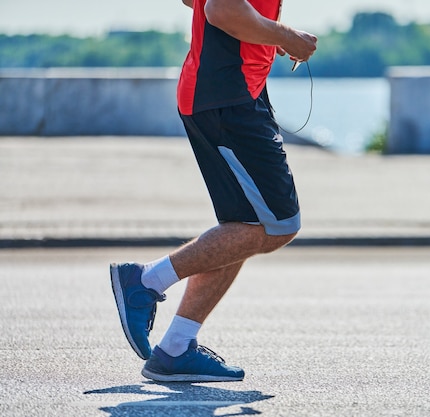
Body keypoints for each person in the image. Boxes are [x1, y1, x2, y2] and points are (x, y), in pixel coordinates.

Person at [110, 0, 317, 382]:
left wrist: (267, 33)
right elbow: (221, 10)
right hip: (228, 98)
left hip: (227, 93)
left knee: (245, 224)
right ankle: (144, 281)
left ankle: (175, 349)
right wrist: (286, 36)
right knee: (278, 224)